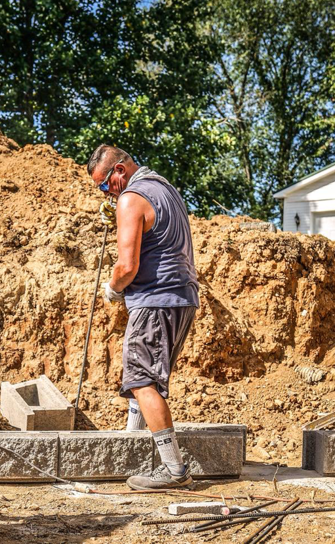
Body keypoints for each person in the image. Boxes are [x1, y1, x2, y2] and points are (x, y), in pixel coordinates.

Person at [87, 144, 199, 491]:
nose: (106, 193)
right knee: (145, 377)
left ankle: (175, 471)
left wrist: (113, 288)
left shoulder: (131, 198)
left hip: (156, 299)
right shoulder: (164, 188)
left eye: (105, 185)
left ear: (119, 171)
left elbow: (127, 266)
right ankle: (133, 442)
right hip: (182, 296)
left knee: (140, 381)